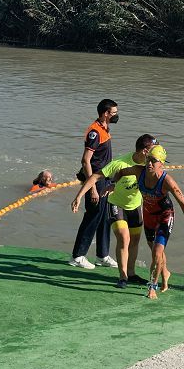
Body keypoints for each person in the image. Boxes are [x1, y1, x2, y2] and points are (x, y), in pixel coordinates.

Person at [81, 145, 184, 299]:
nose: (149, 163)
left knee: (157, 251)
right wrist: (114, 184)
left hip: (165, 216)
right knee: (155, 250)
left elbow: (183, 203)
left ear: (161, 164)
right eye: (148, 159)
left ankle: (152, 287)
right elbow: (121, 172)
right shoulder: (138, 170)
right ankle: (165, 273)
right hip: (148, 216)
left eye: (153, 161)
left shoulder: (167, 181)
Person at [71, 134, 157, 288]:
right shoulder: (119, 163)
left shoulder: (150, 165)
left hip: (136, 206)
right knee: (124, 238)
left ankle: (131, 274)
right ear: (144, 151)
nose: (155, 154)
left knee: (135, 240)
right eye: (152, 150)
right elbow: (95, 177)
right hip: (116, 204)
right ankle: (122, 276)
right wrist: (79, 196)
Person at [69, 99, 119, 269]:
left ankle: (102, 255)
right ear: (105, 113)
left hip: (105, 179)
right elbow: (86, 160)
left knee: (105, 217)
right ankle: (78, 255)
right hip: (95, 180)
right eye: (113, 113)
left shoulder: (105, 129)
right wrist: (91, 188)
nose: (116, 115)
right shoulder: (95, 132)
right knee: (92, 217)